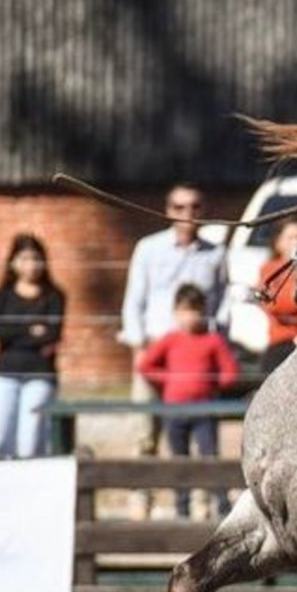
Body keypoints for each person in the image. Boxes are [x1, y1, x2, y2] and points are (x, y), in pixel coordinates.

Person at [118, 182, 228, 513]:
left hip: (195, 356)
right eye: (179, 207)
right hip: (156, 352)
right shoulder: (149, 248)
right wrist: (138, 346)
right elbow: (133, 300)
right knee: (146, 429)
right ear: (168, 211)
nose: (187, 214)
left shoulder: (215, 254)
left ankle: (200, 500)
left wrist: (215, 342)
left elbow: (222, 303)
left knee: (202, 433)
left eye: (195, 207)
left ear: (204, 211)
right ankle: (142, 497)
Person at [137, 284, 239, 518]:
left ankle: (222, 507)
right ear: (174, 312)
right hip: (175, 410)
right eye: (182, 311)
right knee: (179, 462)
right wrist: (168, 380)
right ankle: (181, 509)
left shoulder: (212, 340)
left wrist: (211, 384)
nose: (188, 318)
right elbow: (146, 366)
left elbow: (230, 371)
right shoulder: (169, 340)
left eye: (193, 311)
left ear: (203, 311)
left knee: (210, 458)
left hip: (204, 410)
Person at [0, 234, 65, 458]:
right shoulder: (4, 294)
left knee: (31, 440)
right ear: (13, 261)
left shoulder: (54, 296)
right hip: (5, 371)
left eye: (36, 259)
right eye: (24, 258)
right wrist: (31, 329)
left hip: (39, 373)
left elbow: (52, 334)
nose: (31, 265)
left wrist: (17, 329)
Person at [258, 218, 297, 375]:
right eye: (291, 238)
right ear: (278, 243)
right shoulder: (270, 270)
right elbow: (276, 305)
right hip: (283, 342)